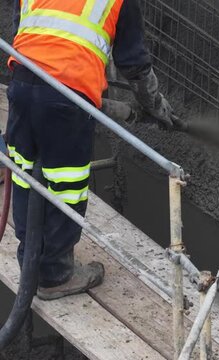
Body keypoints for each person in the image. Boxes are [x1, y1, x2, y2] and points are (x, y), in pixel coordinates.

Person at [7, 0, 175, 300]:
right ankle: (55, 276)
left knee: (23, 175)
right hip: (66, 96)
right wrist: (155, 105)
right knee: (67, 185)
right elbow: (134, 65)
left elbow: (37, 35)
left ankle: (29, 260)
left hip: (22, 81)